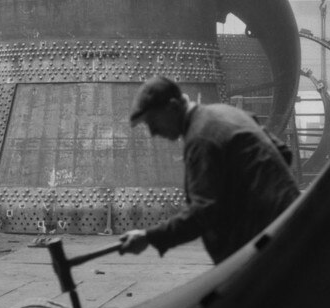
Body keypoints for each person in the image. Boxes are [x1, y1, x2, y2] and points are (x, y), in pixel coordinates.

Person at [121, 76, 301, 264]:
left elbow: (203, 213)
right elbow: (282, 153)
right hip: (289, 223)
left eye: (152, 122)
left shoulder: (201, 139)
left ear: (173, 107)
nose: (152, 132)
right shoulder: (227, 112)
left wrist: (150, 237)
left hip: (267, 244)